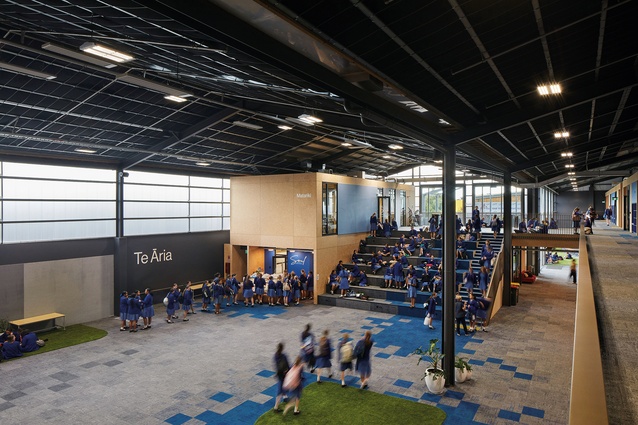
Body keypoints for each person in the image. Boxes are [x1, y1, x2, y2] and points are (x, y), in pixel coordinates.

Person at [273, 342, 290, 413]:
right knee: (280, 389)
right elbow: (287, 365)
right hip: (284, 374)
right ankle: (276, 407)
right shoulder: (284, 356)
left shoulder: (275, 356)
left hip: (279, 374)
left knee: (283, 386)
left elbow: (276, 366)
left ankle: (285, 396)